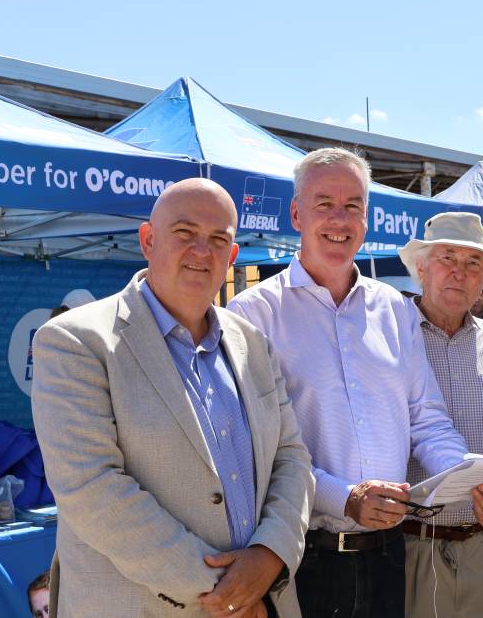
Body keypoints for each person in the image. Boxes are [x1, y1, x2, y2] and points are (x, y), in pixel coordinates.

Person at [227, 148, 483, 618]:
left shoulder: (395, 310)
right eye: (324, 203)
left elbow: (427, 420)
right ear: (296, 213)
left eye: (353, 205)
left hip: (389, 555)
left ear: (367, 219)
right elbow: (260, 451)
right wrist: (345, 498)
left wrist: (468, 481)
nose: (339, 218)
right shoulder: (252, 314)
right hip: (305, 555)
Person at [31, 178, 315, 617]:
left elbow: (292, 458)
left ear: (232, 256)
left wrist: (269, 557)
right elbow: (92, 488)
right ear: (148, 240)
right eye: (185, 233)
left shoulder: (253, 344)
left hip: (263, 599)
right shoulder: (75, 341)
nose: (202, 251)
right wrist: (226, 591)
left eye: (219, 239)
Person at [396, 212, 483, 618]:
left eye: (473, 264)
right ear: (421, 268)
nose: (460, 273)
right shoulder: (387, 335)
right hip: (408, 547)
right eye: (447, 258)